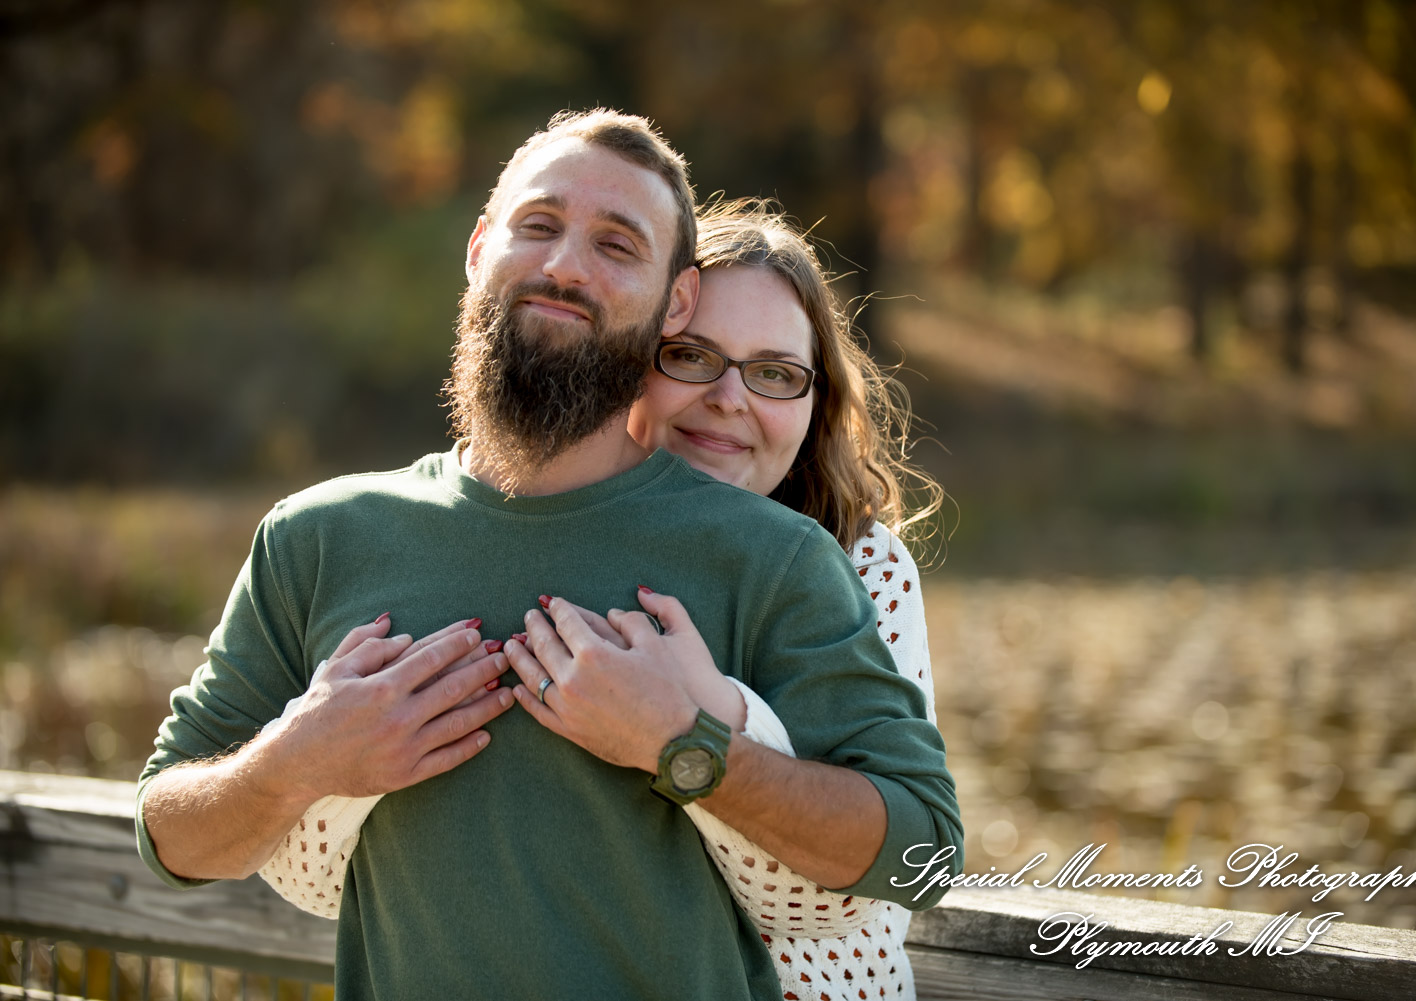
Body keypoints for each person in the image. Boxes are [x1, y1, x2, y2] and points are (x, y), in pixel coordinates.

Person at [135, 109, 962, 1001]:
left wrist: (688, 744)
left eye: (617, 243)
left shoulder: (778, 557)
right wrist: (296, 759)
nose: (565, 265)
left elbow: (919, 851)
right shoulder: (315, 536)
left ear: (674, 300)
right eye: (539, 225)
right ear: (478, 247)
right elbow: (167, 835)